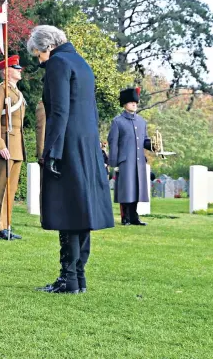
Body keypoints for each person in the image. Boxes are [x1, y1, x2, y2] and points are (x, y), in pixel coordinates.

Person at [27, 25, 114, 294]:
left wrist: (51, 150)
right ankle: (78, 278)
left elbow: (60, 111)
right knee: (80, 211)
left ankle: (68, 278)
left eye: (38, 54)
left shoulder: (58, 63)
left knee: (67, 211)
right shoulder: (82, 63)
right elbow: (90, 110)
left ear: (48, 47)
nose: (39, 60)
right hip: (85, 145)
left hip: (67, 145)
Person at [0, 55, 25, 240]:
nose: (19, 70)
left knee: (10, 189)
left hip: (16, 145)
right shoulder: (0, 90)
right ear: (6, 71)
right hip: (4, 144)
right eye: (15, 68)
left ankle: (5, 224)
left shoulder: (16, 92)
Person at [108, 87, 152, 226]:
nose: (134, 104)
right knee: (125, 190)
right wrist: (114, 163)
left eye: (135, 102)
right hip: (125, 161)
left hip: (138, 161)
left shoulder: (141, 121)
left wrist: (153, 145)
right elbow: (113, 143)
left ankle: (134, 217)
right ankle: (125, 217)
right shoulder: (117, 121)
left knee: (137, 189)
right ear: (124, 104)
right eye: (131, 102)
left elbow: (144, 140)